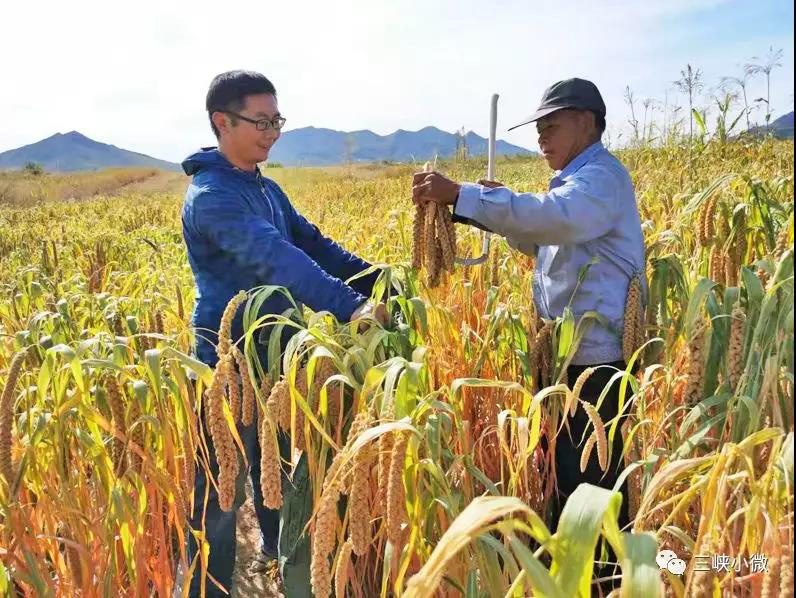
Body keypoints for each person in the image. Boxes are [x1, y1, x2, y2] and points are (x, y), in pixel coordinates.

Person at [411, 78, 646, 594]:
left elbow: (557, 220)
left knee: (591, 478)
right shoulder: (572, 183)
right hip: (562, 358)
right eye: (538, 128)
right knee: (562, 469)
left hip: (596, 364)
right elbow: (545, 242)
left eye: (550, 126)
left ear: (586, 123)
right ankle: (571, 566)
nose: (540, 137)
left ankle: (599, 578)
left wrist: (466, 195)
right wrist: (486, 212)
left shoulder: (601, 178)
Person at [181, 70, 385, 598]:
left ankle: (279, 569)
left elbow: (314, 245)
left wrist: (378, 279)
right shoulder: (212, 197)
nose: (272, 132)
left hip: (277, 355)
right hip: (228, 362)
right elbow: (279, 260)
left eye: (277, 121)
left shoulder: (265, 189)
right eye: (261, 122)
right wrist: (352, 308)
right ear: (222, 122)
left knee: (279, 472)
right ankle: (208, 588)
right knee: (222, 488)